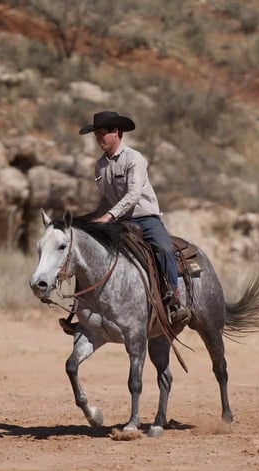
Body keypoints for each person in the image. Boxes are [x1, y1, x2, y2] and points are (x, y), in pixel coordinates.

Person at [80, 110, 190, 327]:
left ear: (116, 132)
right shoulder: (100, 165)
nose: (98, 138)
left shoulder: (134, 159)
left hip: (145, 218)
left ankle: (174, 299)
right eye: (96, 134)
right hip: (118, 222)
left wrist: (108, 216)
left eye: (102, 133)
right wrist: (93, 219)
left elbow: (133, 194)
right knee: (86, 250)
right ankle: (84, 307)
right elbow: (104, 199)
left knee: (163, 247)